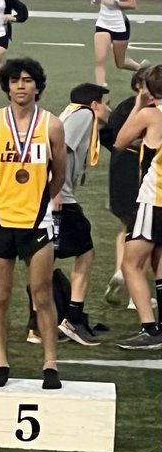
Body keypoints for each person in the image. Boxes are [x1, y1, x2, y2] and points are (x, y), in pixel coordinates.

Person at [0, 57, 65, 388]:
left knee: (41, 294)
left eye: (27, 80)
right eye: (15, 81)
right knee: (0, 293)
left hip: (37, 221)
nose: (21, 86)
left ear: (38, 85)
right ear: (7, 87)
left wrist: (38, 200)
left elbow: (59, 175)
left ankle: (50, 364)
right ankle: (1, 363)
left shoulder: (52, 125)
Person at [52, 83, 110, 346]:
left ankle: (41, 322)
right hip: (60, 197)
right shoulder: (85, 115)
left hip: (52, 195)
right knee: (85, 252)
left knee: (45, 257)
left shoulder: (70, 113)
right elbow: (59, 149)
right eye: (105, 103)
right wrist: (55, 193)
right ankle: (72, 317)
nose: (107, 108)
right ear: (95, 104)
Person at [112, 64, 162, 351]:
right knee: (159, 263)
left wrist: (141, 105)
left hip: (154, 199)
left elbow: (119, 141)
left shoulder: (150, 114)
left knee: (131, 264)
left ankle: (149, 329)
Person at [100, 68, 151, 307]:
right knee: (149, 235)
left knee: (126, 226)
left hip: (120, 174)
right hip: (145, 178)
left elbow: (107, 137)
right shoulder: (153, 112)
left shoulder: (123, 108)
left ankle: (121, 271)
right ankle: (135, 292)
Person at [92, 0, 144, 87]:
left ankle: (142, 69)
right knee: (99, 62)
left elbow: (132, 4)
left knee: (120, 63)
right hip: (102, 23)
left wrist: (115, 3)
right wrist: (96, 0)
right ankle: (101, 98)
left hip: (120, 24)